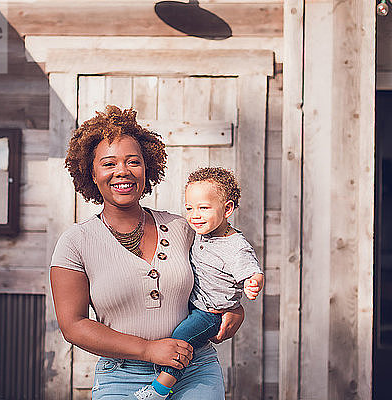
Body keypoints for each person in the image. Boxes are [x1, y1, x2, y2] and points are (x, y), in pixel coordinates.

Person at [49, 106, 245, 399]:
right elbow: (73, 326)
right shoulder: (75, 242)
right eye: (108, 163)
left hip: (194, 369)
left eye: (133, 162)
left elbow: (223, 269)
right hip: (121, 376)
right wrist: (147, 349)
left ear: (147, 167)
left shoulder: (183, 228)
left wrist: (234, 308)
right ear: (91, 172)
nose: (122, 172)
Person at [132, 167, 264, 399]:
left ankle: (160, 389)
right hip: (195, 304)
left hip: (210, 313)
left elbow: (252, 271)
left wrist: (253, 283)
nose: (195, 215)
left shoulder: (235, 246)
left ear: (227, 209)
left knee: (182, 338)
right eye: (190, 208)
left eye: (204, 208)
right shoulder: (200, 233)